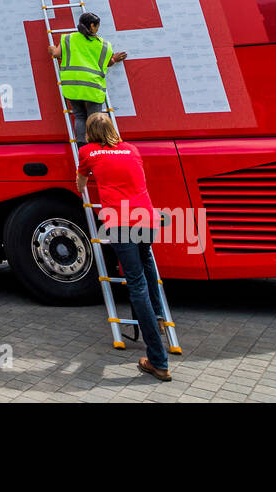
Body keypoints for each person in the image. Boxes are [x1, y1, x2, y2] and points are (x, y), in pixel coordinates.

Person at [77, 111, 172, 382]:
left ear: (91, 133)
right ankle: (159, 317)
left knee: (136, 284)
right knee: (147, 264)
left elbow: (81, 183)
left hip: (120, 222)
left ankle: (158, 361)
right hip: (147, 218)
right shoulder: (132, 149)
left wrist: (86, 181)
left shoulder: (88, 152)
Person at [48, 11, 128, 146]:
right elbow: (107, 63)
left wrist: (51, 48)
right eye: (97, 26)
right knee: (95, 119)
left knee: (79, 116)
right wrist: (115, 58)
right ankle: (95, 146)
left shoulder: (69, 38)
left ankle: (82, 146)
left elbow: (56, 54)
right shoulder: (103, 44)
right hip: (93, 88)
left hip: (72, 86)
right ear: (92, 26)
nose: (98, 28)